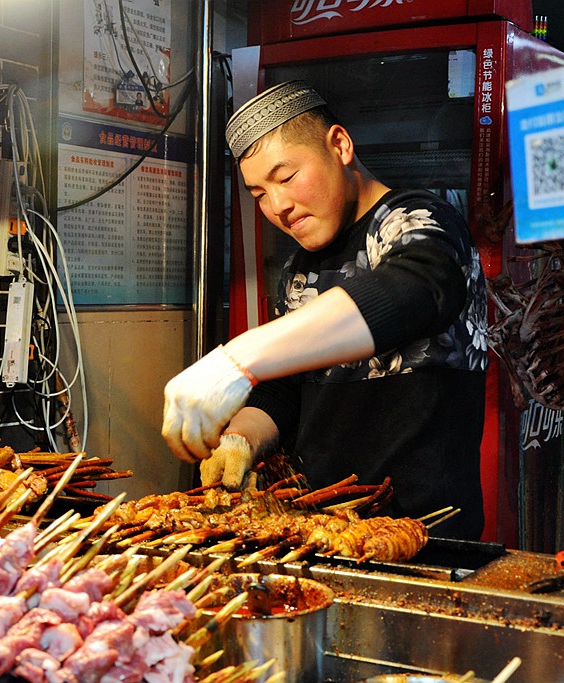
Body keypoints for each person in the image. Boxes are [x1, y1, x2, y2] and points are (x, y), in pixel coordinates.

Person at [161, 80, 489, 538]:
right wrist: (241, 438)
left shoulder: (420, 222)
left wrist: (236, 358)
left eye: (286, 177)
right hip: (318, 532)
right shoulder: (300, 266)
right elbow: (287, 392)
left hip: (420, 537)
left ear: (340, 145)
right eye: (258, 194)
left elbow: (416, 289)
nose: (278, 206)